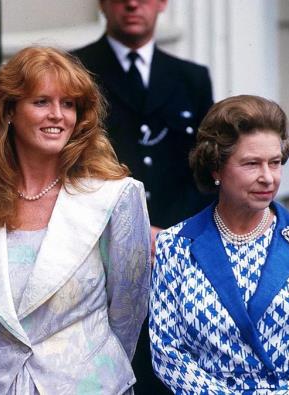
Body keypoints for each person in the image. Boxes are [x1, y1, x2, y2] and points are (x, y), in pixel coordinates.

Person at [0, 46, 151, 394]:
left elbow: (128, 310)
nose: (57, 115)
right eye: (41, 102)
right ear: (9, 111)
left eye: (68, 104)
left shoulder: (115, 195)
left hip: (90, 385)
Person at [74, 2, 213, 392]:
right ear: (102, 4)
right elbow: (69, 168)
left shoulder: (191, 79)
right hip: (101, 251)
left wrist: (172, 231)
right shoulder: (76, 71)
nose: (133, 4)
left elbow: (205, 172)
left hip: (177, 250)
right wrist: (131, 228)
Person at [150, 95, 289, 394]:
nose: (268, 177)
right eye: (252, 164)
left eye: (275, 163)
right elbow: (167, 352)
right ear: (216, 168)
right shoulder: (175, 247)